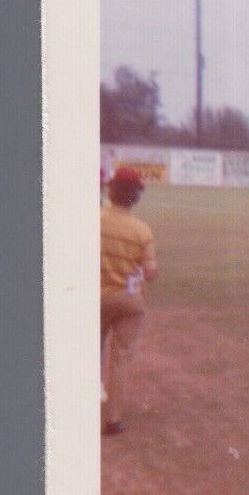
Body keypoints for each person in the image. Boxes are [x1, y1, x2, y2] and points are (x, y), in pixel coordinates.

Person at [100, 167, 157, 436]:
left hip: (97, 297)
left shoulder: (93, 220)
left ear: (110, 191)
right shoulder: (142, 230)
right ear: (135, 197)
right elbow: (151, 274)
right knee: (120, 358)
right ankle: (114, 418)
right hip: (130, 301)